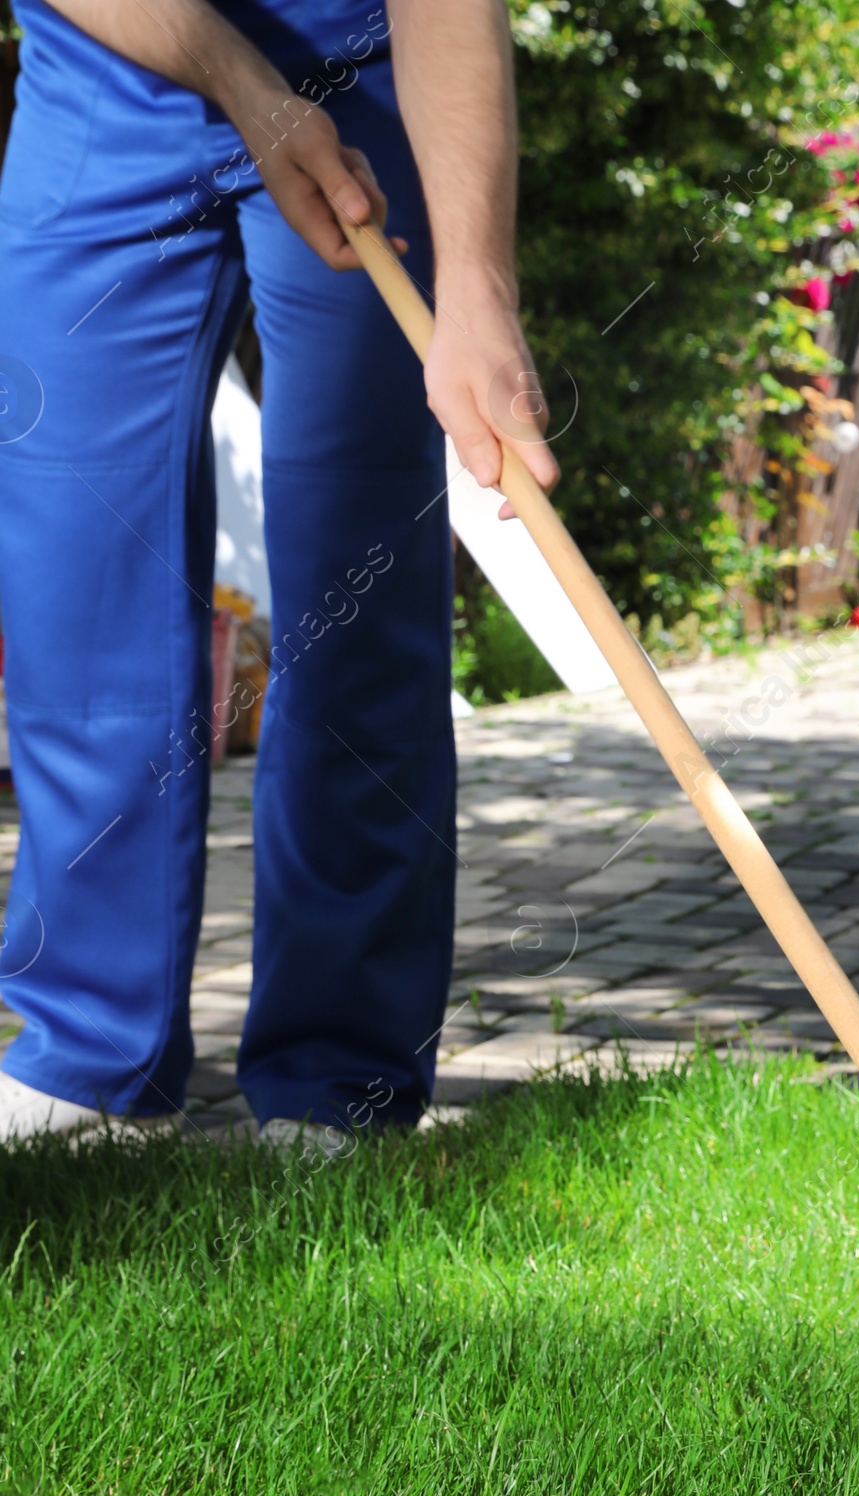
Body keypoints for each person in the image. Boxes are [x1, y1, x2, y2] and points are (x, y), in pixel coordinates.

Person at [0, 0, 557, 1142]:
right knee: (77, 585)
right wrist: (240, 85)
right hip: (101, 70)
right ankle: (86, 1053)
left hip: (359, 66)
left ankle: (337, 1079)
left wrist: (477, 295)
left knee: (357, 587)